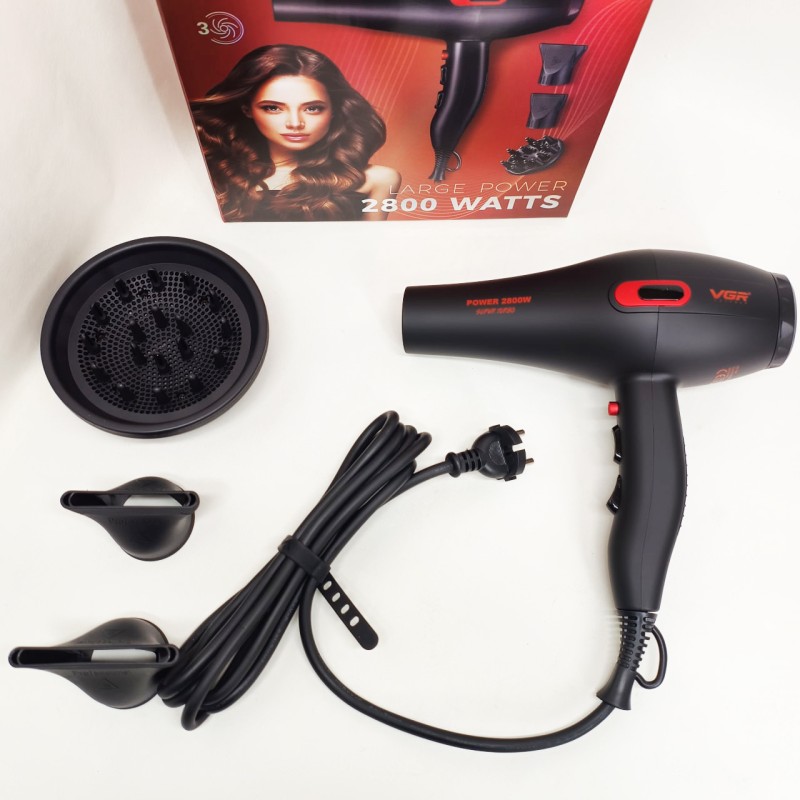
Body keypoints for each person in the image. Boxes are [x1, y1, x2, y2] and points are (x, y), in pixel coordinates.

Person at [191, 44, 399, 221]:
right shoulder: (215, 176)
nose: (295, 123)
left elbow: (369, 251)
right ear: (247, 109)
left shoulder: (378, 179)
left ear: (334, 110)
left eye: (313, 108)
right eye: (273, 108)